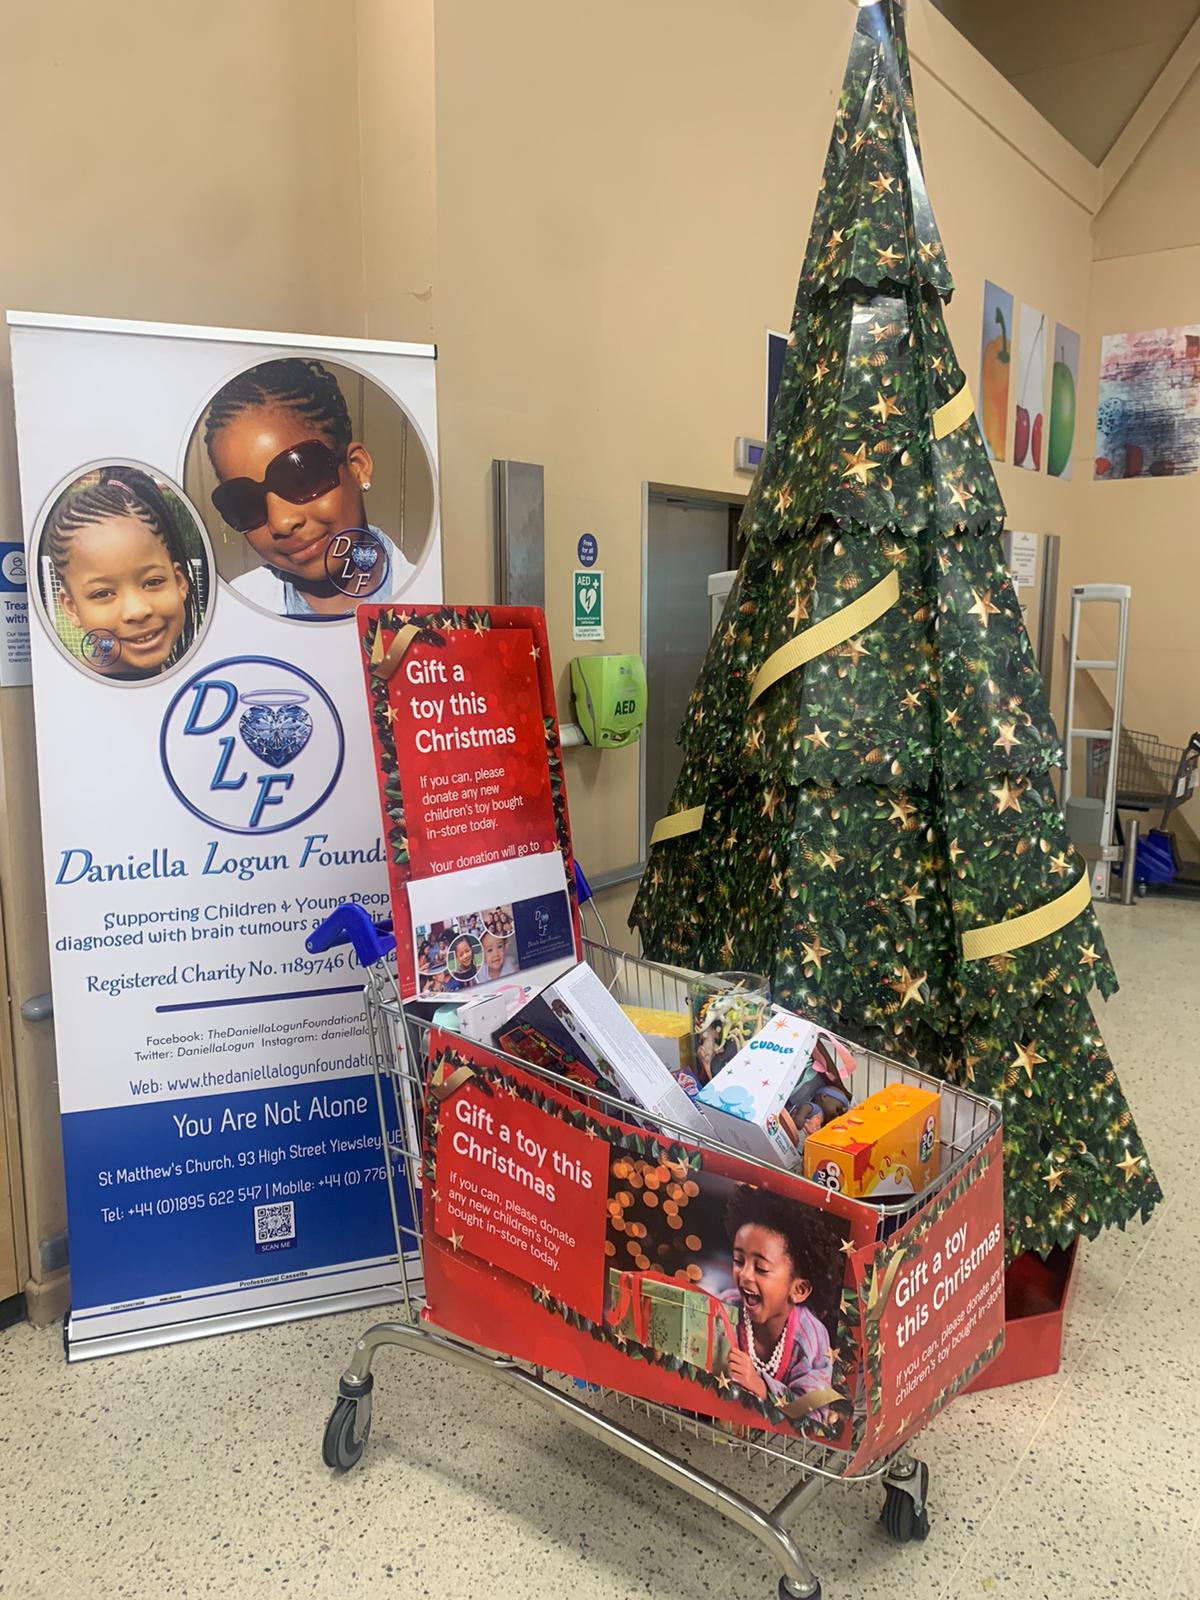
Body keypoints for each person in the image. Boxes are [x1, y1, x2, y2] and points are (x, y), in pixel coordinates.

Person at [203, 358, 414, 619]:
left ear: (357, 467)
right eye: (244, 502)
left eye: (301, 478)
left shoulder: (438, 595)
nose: (282, 523)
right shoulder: (231, 616)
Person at [42, 466, 203, 681]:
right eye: (102, 593)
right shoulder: (70, 692)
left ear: (179, 582)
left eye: (152, 582)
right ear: (72, 608)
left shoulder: (190, 681)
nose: (137, 611)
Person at [720, 1184, 836, 1418]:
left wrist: (761, 1387)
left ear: (799, 1289)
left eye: (761, 1268)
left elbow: (816, 1414)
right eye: (739, 1261)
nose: (745, 1274)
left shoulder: (810, 1337)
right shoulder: (725, 1307)